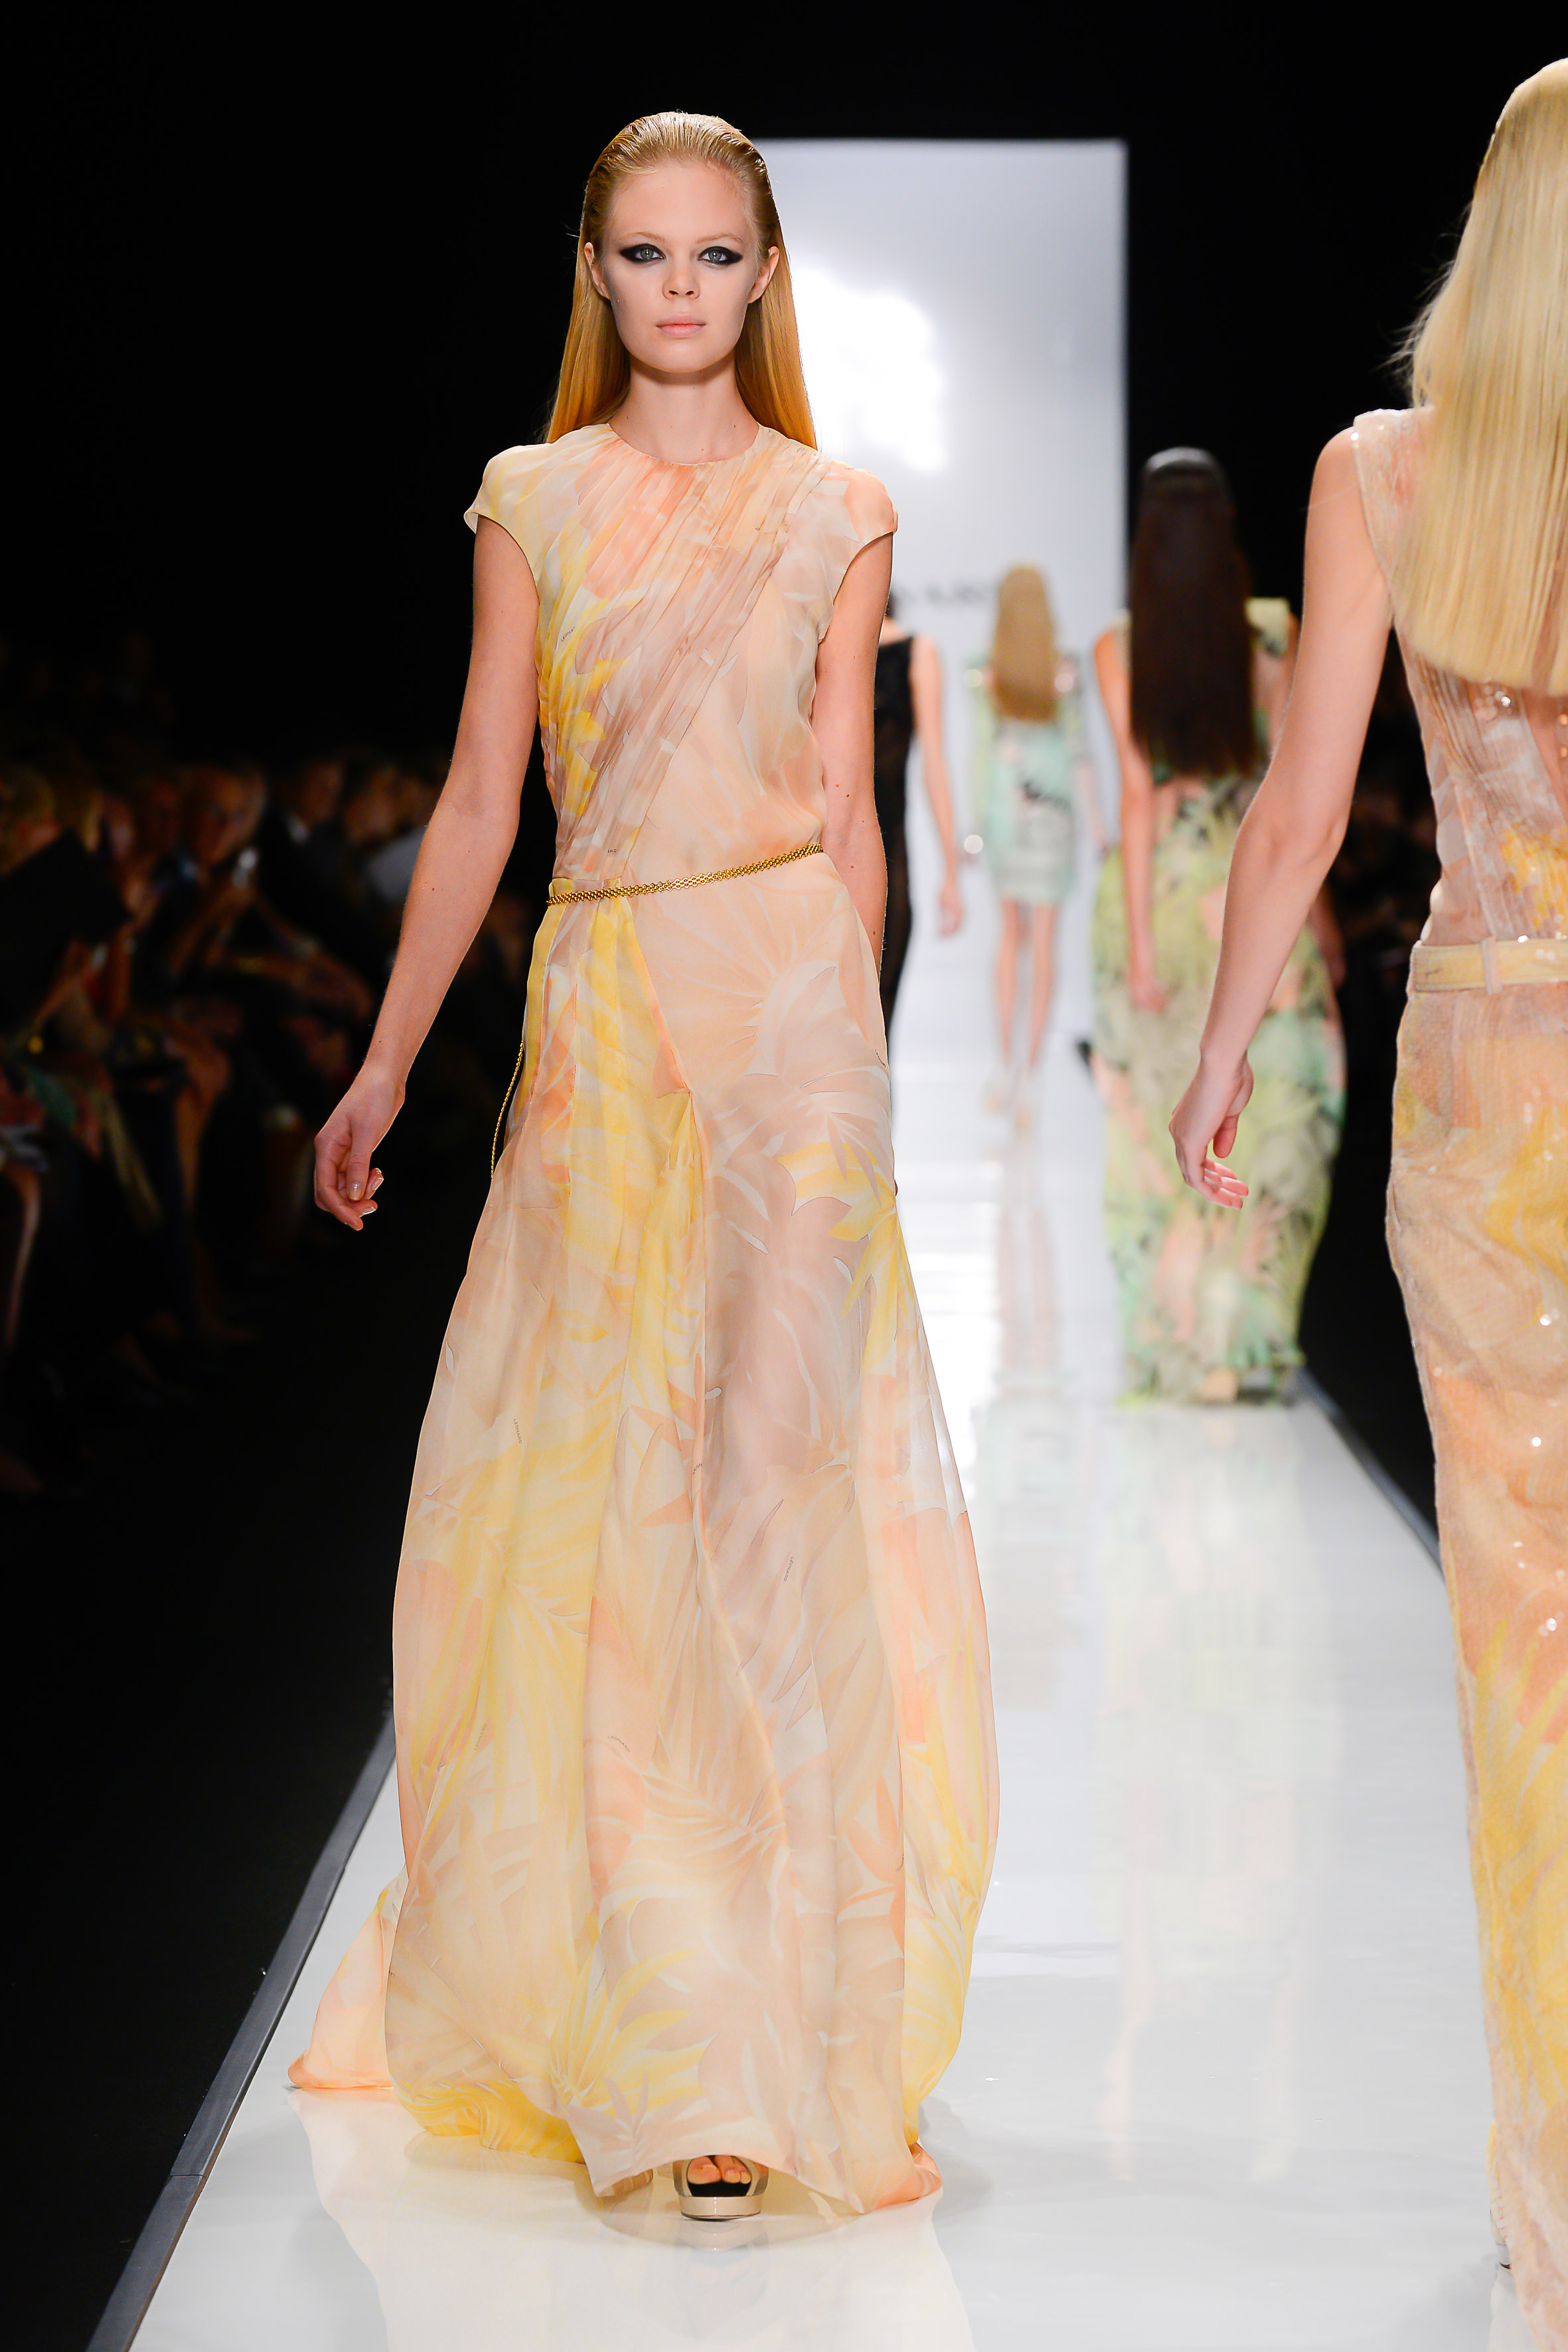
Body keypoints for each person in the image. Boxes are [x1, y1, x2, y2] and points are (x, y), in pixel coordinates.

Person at [291, 111, 998, 2224]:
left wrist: (860, 1064)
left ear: (766, 273)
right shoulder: (532, 498)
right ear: (595, 273)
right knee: (610, 1497)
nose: (680, 289)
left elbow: (846, 809)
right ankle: (683, 2028)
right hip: (604, 1013)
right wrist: (385, 1059)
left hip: (787, 1014)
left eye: (713, 253)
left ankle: (786, 2013)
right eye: (644, 254)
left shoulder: (838, 507)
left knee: (769, 1484)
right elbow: (483, 792)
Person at [1168, 62, 1568, 2345]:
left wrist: (1221, 1044)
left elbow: (1303, 807)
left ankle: (1559, 2193)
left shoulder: (1382, 475)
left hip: (1494, 1082)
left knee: (1524, 1653)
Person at [1093, 455, 1344, 1402]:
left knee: (1151, 1118)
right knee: (1276, 1116)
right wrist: (1317, 921)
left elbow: (1138, 799)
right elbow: (1293, 794)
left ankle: (1171, 1339)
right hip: (1253, 892)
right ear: (1228, 524)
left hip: (1160, 899)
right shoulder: (1273, 632)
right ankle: (1242, 1339)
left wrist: (1141, 950)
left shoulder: (1122, 645)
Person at [971, 566, 1102, 1125]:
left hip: (1007, 817)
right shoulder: (1064, 671)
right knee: (1043, 944)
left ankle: (1008, 1069)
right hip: (1053, 819)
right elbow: (1079, 752)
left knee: (1011, 939)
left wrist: (975, 827)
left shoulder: (988, 674)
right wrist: (1098, 826)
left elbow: (982, 753)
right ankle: (1030, 1074)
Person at [874, 593, 963, 1039]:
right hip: (836, 854)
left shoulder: (916, 652)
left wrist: (952, 870)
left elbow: (934, 765)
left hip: (883, 854)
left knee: (875, 1020)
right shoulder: (821, 650)